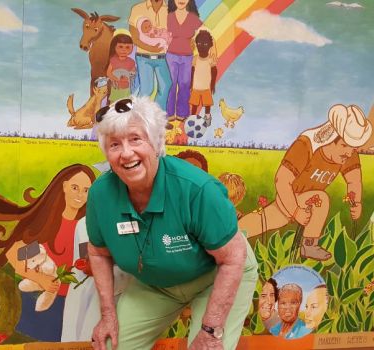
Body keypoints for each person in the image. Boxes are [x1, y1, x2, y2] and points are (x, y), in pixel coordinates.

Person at [87, 96, 258, 350]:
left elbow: (232, 258)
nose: (126, 153)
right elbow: (98, 253)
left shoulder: (197, 189)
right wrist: (108, 316)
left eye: (135, 139)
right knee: (112, 345)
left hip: (215, 275)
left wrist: (211, 330)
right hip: (154, 285)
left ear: (156, 143)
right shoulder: (101, 194)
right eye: (114, 144)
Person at [239, 104, 372, 261]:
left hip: (309, 199)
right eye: (344, 146)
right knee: (262, 222)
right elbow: (282, 180)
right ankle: (232, 229)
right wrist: (295, 211)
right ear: (331, 139)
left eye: (353, 148)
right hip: (288, 197)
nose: (349, 153)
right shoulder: (306, 145)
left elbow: (354, 179)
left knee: (319, 199)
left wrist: (356, 202)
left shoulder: (348, 153)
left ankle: (309, 245)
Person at [0, 164, 96, 341]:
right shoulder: (48, 225)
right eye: (75, 187)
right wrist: (41, 279)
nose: (80, 195)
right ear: (64, 186)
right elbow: (16, 254)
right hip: (37, 302)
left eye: (86, 190)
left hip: (74, 305)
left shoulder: (87, 227)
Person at [128, 0, 172, 112]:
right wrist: (151, 48)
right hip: (144, 57)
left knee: (166, 85)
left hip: (162, 58)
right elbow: (134, 38)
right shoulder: (137, 8)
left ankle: (158, 116)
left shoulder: (170, 10)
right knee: (147, 88)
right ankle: (137, 115)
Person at [165, 0, 202, 122]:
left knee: (185, 84)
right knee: (170, 84)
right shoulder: (168, 16)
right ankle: (168, 113)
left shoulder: (193, 18)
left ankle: (182, 113)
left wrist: (197, 50)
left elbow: (204, 32)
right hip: (170, 55)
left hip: (187, 56)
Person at [188, 29, 217, 129]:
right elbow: (191, 72)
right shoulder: (195, 58)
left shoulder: (210, 59)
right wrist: (191, 84)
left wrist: (213, 85)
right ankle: (192, 119)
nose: (202, 46)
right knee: (194, 105)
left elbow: (214, 72)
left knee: (207, 105)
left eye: (205, 43)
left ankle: (207, 118)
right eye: (199, 43)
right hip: (196, 88)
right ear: (196, 44)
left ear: (209, 45)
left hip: (206, 88)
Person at [106, 31, 136, 104]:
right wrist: (115, 79)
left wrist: (129, 77)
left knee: (125, 103)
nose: (124, 50)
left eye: (127, 47)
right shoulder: (113, 60)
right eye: (120, 47)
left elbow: (133, 73)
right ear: (115, 47)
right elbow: (108, 73)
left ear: (132, 48)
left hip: (126, 89)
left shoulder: (131, 62)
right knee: (113, 103)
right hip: (115, 88)